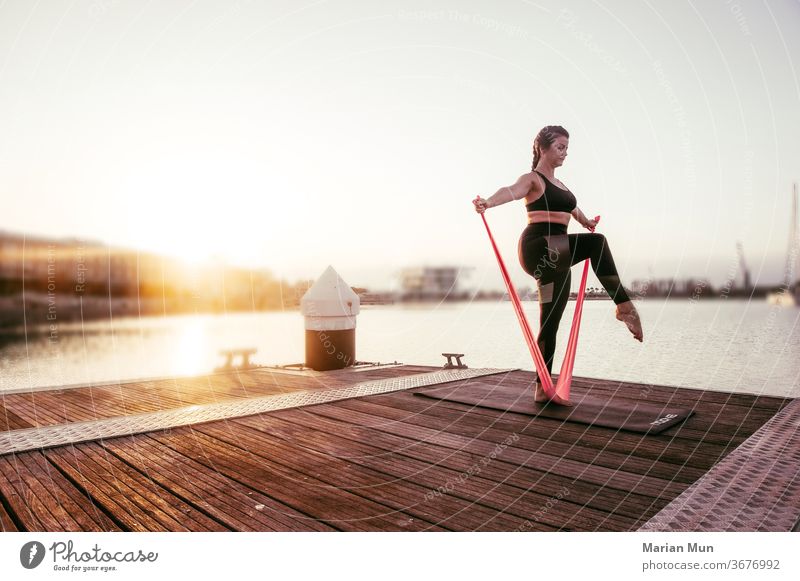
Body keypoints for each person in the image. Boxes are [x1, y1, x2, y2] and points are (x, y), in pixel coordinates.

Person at [473, 125, 643, 404]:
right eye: (560, 147)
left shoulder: (562, 187)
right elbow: (511, 191)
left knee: (550, 321)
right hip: (539, 248)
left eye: (567, 148)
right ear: (543, 148)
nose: (565, 153)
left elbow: (572, 210)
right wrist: (488, 202)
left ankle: (541, 388)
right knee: (597, 244)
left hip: (556, 260)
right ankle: (624, 306)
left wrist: (587, 222)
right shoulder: (533, 179)